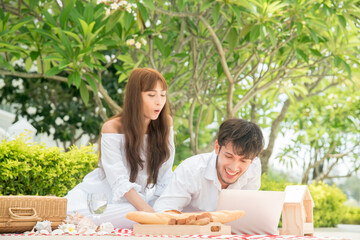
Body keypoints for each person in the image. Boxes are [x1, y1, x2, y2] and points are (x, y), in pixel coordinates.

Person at [65, 68, 174, 228]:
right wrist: (149, 213)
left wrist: (160, 209)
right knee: (133, 212)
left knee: (167, 209)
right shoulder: (112, 128)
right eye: (151, 95)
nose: (159, 101)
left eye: (163, 94)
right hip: (98, 200)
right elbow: (119, 181)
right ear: (136, 97)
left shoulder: (165, 125)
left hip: (139, 201)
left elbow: (165, 175)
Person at [153, 118, 264, 212]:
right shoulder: (191, 170)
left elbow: (247, 213)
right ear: (217, 147)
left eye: (243, 161)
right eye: (229, 156)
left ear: (252, 160)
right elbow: (163, 211)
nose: (234, 167)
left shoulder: (253, 168)